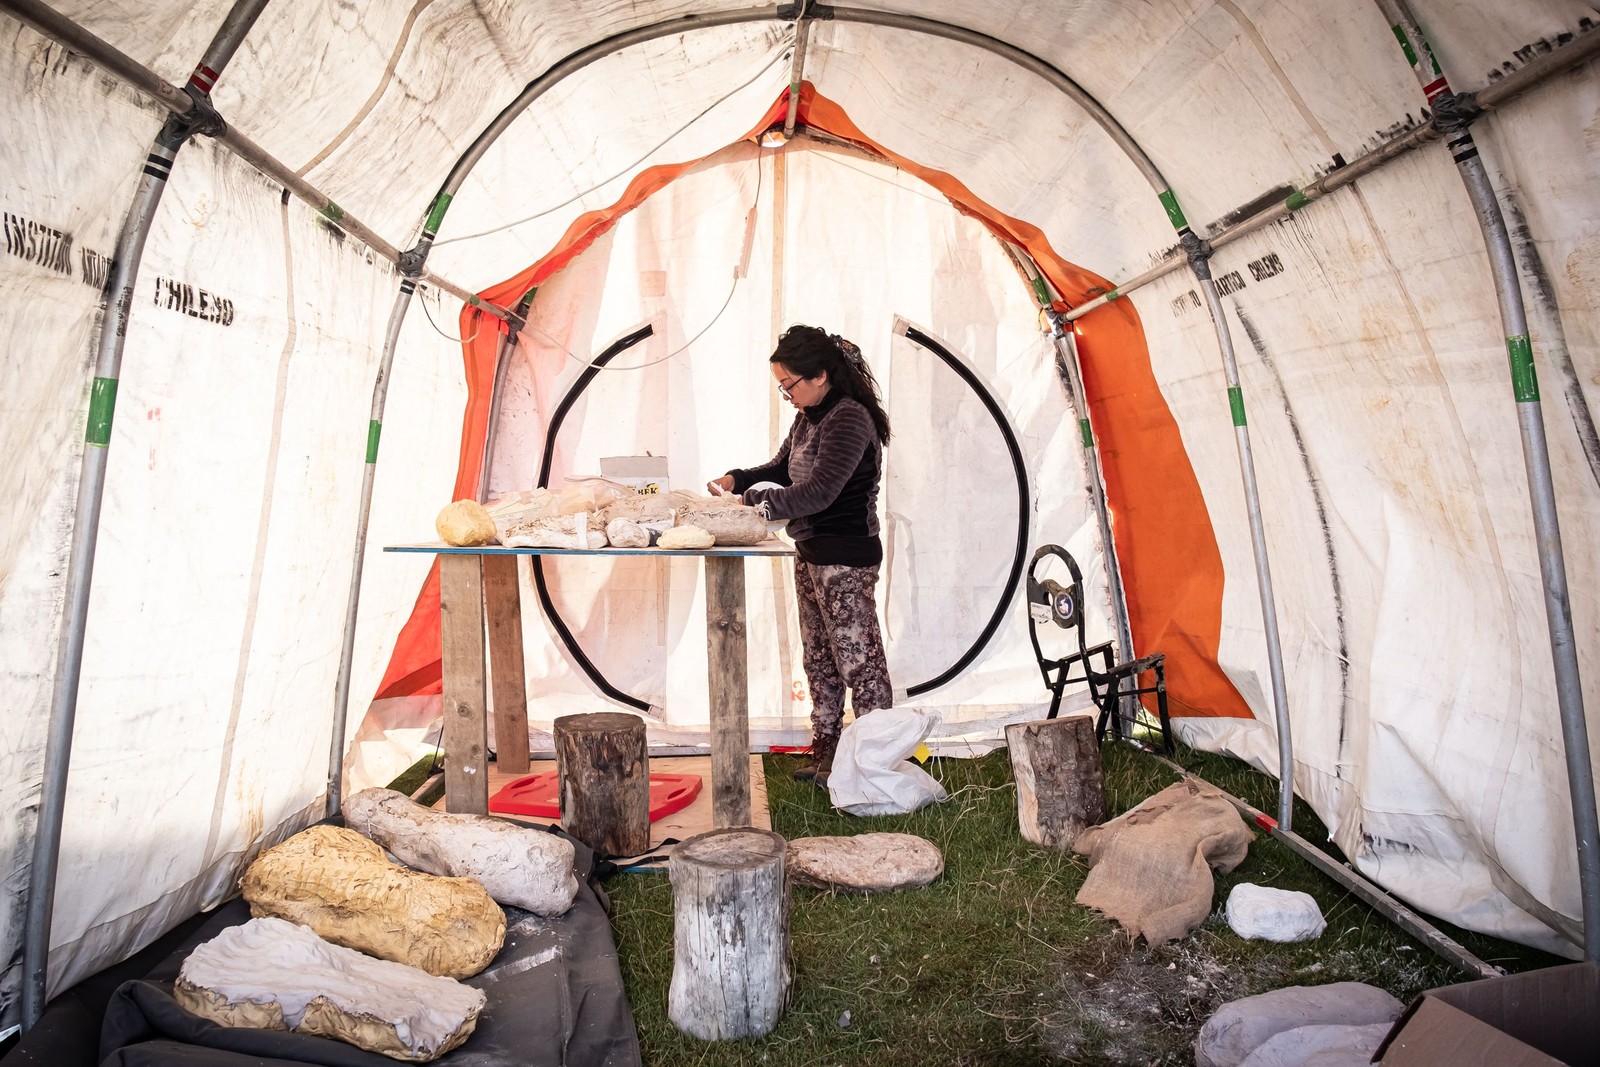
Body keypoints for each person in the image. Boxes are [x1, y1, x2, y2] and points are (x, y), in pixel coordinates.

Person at [707, 325, 893, 785]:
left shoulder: (849, 419)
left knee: (859, 661)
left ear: (820, 376)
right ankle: (828, 750)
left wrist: (753, 505)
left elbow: (820, 493)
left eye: (789, 384)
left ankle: (875, 762)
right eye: (781, 386)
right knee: (820, 657)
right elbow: (781, 468)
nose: (785, 394)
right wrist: (737, 478)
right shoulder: (809, 417)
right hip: (811, 552)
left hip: (846, 557)